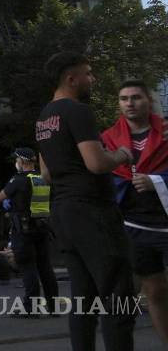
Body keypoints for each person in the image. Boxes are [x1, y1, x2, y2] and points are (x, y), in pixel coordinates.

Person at [34, 52, 136, 351]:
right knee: (118, 294)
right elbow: (95, 163)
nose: (93, 79)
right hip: (93, 212)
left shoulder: (43, 118)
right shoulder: (77, 111)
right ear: (71, 78)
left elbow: (46, 173)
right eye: (88, 73)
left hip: (64, 214)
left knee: (83, 299)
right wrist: (121, 155)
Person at [101, 79, 168, 344]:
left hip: (164, 219)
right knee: (154, 289)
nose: (130, 103)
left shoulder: (165, 130)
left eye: (136, 97)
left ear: (148, 101)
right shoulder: (107, 138)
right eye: (124, 98)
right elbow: (101, 175)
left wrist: (157, 181)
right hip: (133, 224)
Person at [0, 147, 58, 316]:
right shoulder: (40, 178)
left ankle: (31, 307)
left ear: (22, 162)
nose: (16, 163)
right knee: (45, 268)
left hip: (23, 230)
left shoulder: (18, 179)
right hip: (42, 228)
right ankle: (53, 306)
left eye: (17, 161)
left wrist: (10, 200)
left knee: (28, 267)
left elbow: (1, 196)